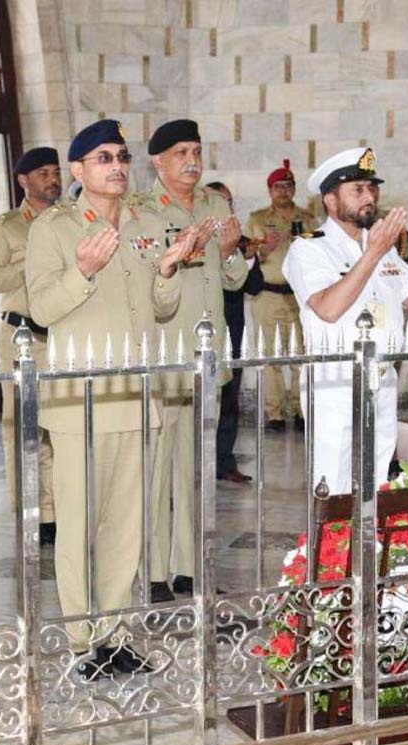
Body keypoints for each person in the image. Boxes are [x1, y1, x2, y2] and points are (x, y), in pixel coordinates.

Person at [25, 119, 196, 679]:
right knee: (80, 524)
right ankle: (82, 640)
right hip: (81, 402)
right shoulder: (53, 228)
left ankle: (117, 633)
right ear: (77, 170)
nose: (117, 166)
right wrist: (84, 270)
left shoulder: (147, 223)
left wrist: (168, 270)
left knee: (129, 524)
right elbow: (43, 309)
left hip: (136, 395)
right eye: (102, 158)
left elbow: (162, 307)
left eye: (121, 156)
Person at [282, 147, 408, 495]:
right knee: (333, 485)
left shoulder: (383, 247)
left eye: (372, 188)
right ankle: (331, 550)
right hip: (334, 383)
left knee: (377, 481)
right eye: (358, 189)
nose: (370, 197)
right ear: (331, 201)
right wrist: (372, 255)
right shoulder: (309, 249)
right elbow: (328, 308)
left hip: (382, 380)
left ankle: (367, 547)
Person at [136, 120, 247, 602]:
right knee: (158, 470)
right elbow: (142, 279)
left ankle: (189, 566)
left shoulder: (215, 205)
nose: (191, 160)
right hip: (163, 353)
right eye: (180, 152)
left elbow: (235, 280)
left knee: (198, 470)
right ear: (158, 161)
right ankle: (156, 572)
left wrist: (227, 253)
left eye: (197, 150)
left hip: (206, 357)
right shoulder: (138, 210)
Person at [0, 146, 62, 546]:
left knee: (59, 427)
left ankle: (58, 509)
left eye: (55, 171)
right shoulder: (6, 226)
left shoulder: (69, 221)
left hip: (62, 335)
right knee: (25, 429)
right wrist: (27, 266)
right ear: (23, 181)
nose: (52, 179)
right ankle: (32, 511)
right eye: (42, 173)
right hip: (22, 337)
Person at [246, 160, 316, 432]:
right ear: (270, 191)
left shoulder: (307, 218)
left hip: (299, 297)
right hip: (268, 295)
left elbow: (319, 250)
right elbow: (244, 255)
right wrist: (264, 248)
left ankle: (300, 410)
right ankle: (274, 413)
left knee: (301, 355)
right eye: (278, 187)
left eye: (288, 186)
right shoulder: (258, 219)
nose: (284, 191)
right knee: (272, 357)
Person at [206, 181, 255, 485]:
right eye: (219, 203)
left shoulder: (242, 240)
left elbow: (254, 285)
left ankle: (225, 461)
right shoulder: (194, 240)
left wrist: (247, 258)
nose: (227, 210)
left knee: (230, 396)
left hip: (232, 327)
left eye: (230, 203)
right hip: (201, 329)